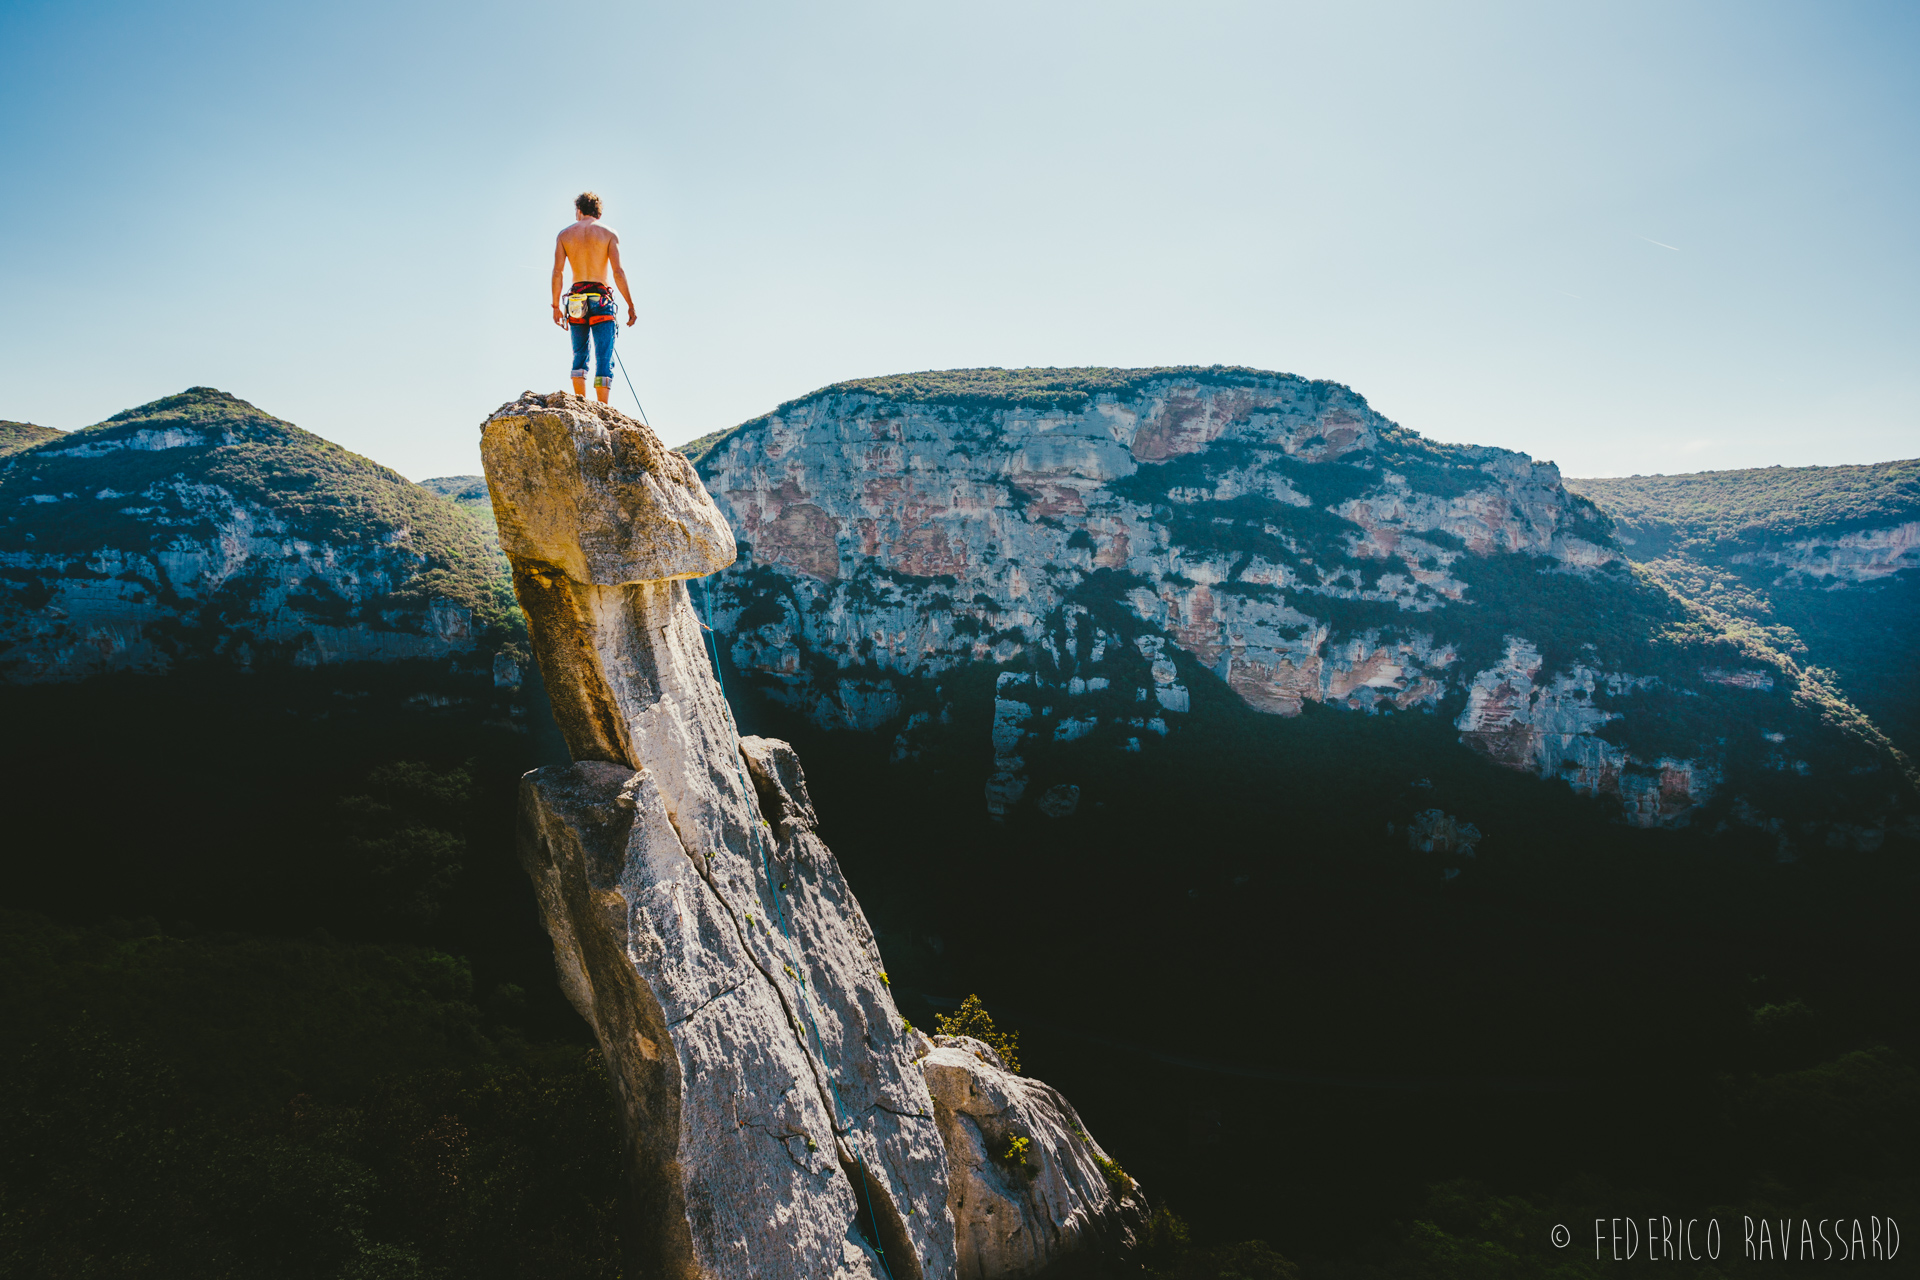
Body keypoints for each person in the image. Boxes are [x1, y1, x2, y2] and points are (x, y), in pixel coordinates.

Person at [551, 191, 637, 402]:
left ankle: (581, 404)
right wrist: (630, 304)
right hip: (601, 299)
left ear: (579, 210)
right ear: (597, 213)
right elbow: (618, 272)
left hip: (577, 299)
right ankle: (602, 408)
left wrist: (555, 306)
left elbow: (558, 272)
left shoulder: (564, 235)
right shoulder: (609, 234)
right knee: (604, 357)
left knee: (579, 355)